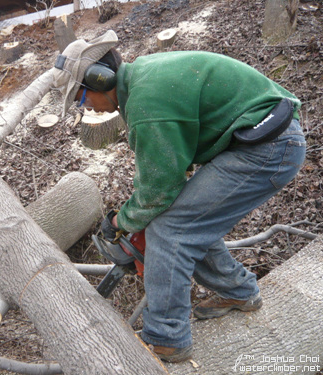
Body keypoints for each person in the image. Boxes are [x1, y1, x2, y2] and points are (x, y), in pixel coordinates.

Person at [52, 30, 306, 362]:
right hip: (259, 140)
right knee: (187, 221)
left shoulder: (146, 103)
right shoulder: (142, 80)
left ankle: (166, 338)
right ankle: (239, 292)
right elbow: (165, 176)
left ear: (100, 80)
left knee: (171, 232)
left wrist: (122, 220)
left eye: (81, 98)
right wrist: (136, 214)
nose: (85, 107)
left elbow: (159, 190)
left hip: (269, 148)